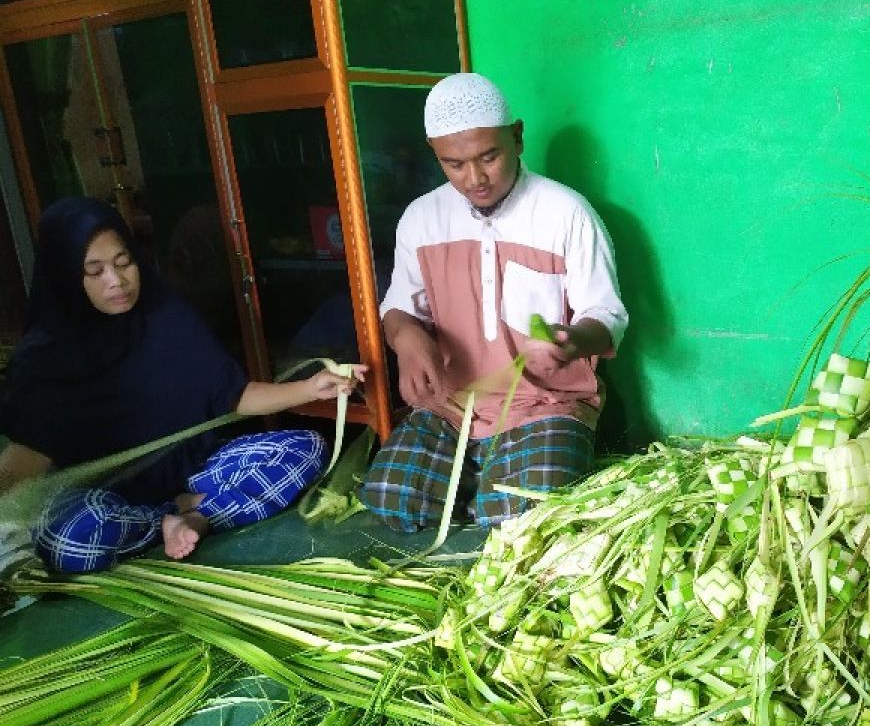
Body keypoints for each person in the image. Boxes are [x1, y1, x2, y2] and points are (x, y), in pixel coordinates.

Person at [0, 197, 364, 573]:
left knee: (303, 450)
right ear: (65, 279)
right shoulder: (46, 358)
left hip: (191, 472)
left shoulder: (164, 318)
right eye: (95, 271)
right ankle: (173, 516)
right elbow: (25, 458)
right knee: (70, 537)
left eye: (124, 263)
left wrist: (310, 388)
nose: (117, 280)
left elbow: (231, 396)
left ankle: (194, 517)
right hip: (103, 499)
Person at [360, 73, 627, 532]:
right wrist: (406, 342)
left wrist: (573, 338)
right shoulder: (422, 218)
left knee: (520, 517)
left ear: (517, 137)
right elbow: (400, 307)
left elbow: (606, 314)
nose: (475, 178)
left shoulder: (565, 212)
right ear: (436, 154)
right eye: (454, 164)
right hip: (452, 405)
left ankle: (492, 480)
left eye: (490, 156)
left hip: (545, 401)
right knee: (392, 499)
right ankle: (484, 472)